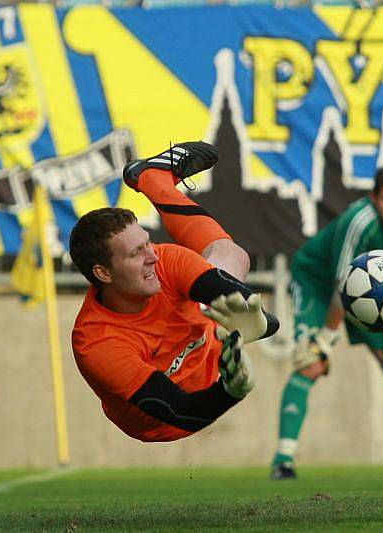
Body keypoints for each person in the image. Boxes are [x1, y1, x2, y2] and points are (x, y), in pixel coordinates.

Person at [70, 141, 278, 442]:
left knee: (231, 255)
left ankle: (154, 180)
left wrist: (253, 318)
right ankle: (153, 178)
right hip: (162, 423)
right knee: (228, 272)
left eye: (147, 242)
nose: (152, 256)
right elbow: (180, 410)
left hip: (210, 341)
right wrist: (229, 391)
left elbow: (230, 292)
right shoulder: (97, 343)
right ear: (103, 273)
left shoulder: (164, 259)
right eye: (135, 254)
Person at [270, 161, 383, 479]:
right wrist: (326, 339)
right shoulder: (359, 221)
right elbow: (341, 285)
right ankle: (283, 461)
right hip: (319, 286)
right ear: (374, 198)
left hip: (375, 298)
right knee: (311, 362)